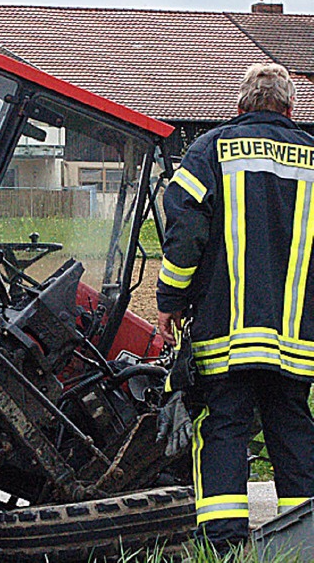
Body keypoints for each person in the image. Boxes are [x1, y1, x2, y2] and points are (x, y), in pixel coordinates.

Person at [156, 62, 314, 552]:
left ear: (239, 108)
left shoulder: (210, 150)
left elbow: (185, 234)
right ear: (291, 109)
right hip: (297, 338)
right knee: (292, 429)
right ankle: (301, 546)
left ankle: (223, 549)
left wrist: (170, 300)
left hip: (225, 334)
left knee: (224, 427)